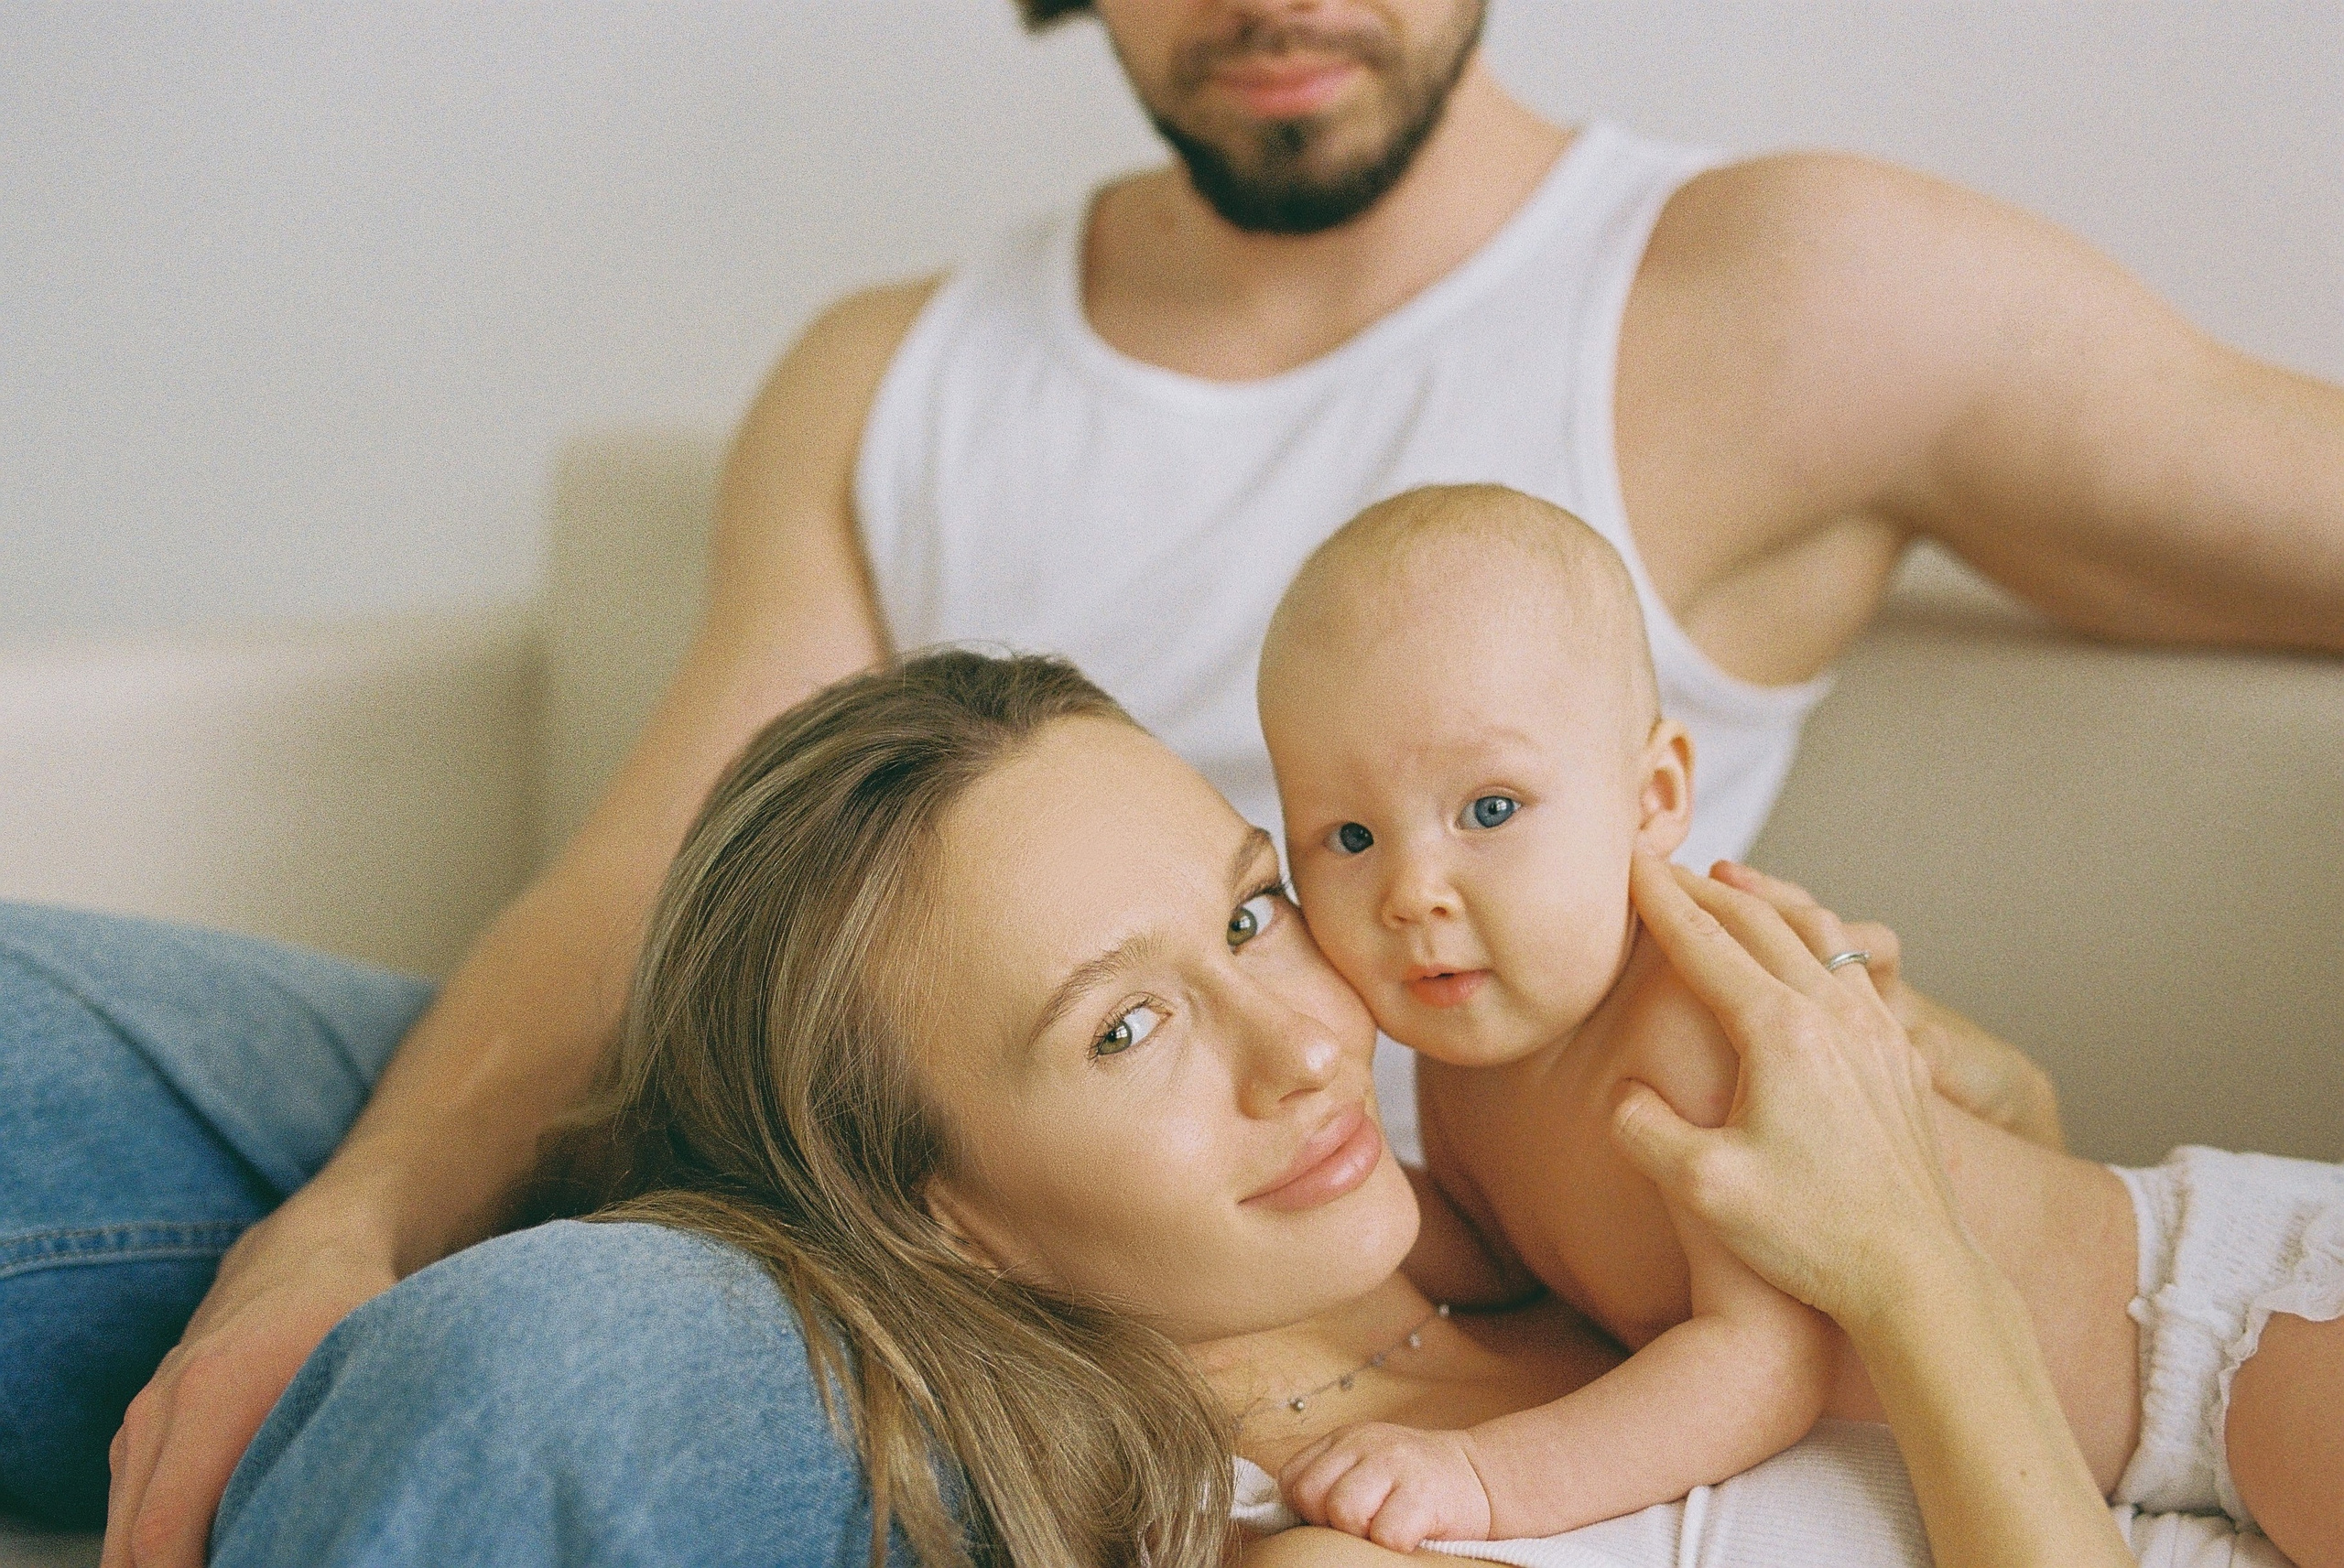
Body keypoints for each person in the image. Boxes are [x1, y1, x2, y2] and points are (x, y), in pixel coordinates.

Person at [8, 0, 2339, 1560]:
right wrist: (360, 1200)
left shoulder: (1785, 287)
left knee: (534, 1365)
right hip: (836, 1078)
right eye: (1328, 850)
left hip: (1173, 1264)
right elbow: (636, 902)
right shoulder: (891, 371)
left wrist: (1940, 1126)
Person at [514, 646, 2147, 1568]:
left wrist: (2009, 1126)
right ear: (943, 1210)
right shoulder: (1336, 1542)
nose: (1303, 1041)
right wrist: (1915, 1264)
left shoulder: (1555, 1207)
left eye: (1249, 913)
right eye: (1128, 1027)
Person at [1252, 484, 2344, 1561]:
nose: (1410, 891)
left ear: (1652, 797)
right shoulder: (1459, 1053)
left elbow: (1763, 1369)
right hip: (2075, 1478)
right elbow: (1500, 1255)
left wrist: (1482, 1475)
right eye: (1347, 837)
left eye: (1488, 809)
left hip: (2221, 1334)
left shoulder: (1693, 1027)